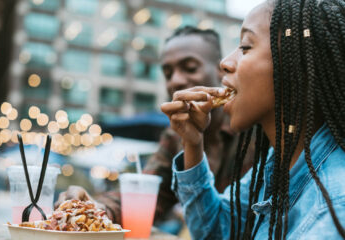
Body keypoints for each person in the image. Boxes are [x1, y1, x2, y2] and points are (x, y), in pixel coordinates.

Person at [161, 0, 345, 239]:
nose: (225, 63)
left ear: (295, 67)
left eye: (246, 47)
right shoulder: (281, 161)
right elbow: (218, 230)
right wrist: (193, 144)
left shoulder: (333, 211)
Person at [55, 26, 254, 230]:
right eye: (168, 74)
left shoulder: (252, 129)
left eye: (190, 68)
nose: (175, 80)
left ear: (222, 69)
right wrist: (95, 208)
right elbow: (146, 190)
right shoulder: (176, 135)